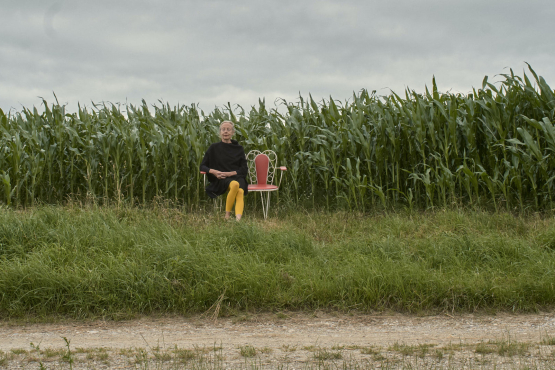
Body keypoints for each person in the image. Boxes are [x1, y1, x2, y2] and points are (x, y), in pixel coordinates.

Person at [200, 121, 248, 220]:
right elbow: (203, 166)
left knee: (239, 190)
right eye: (223, 129)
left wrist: (230, 173)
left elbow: (244, 169)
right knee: (234, 185)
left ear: (233, 132)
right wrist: (214, 172)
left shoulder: (239, 149)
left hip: (237, 176)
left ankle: (238, 220)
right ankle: (227, 216)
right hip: (221, 179)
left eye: (228, 129)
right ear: (220, 132)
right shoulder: (214, 148)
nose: (225, 132)